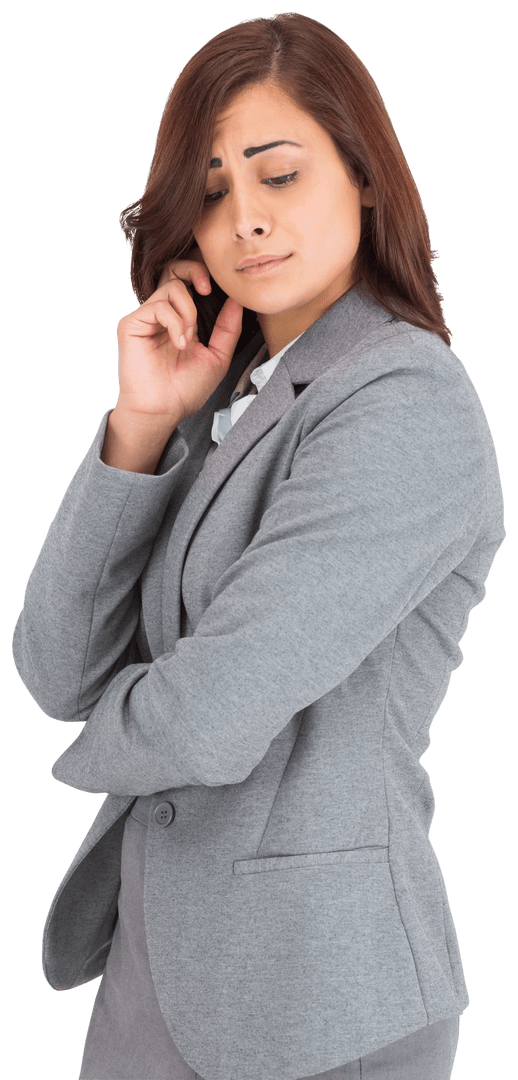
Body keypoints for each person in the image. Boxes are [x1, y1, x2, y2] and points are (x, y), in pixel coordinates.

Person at [11, 12, 505, 1080]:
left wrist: (87, 750)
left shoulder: (406, 400)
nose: (245, 220)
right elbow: (54, 667)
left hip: (320, 996)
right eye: (214, 187)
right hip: (153, 974)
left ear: (362, 174)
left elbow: (214, 711)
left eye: (277, 175)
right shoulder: (223, 400)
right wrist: (141, 426)